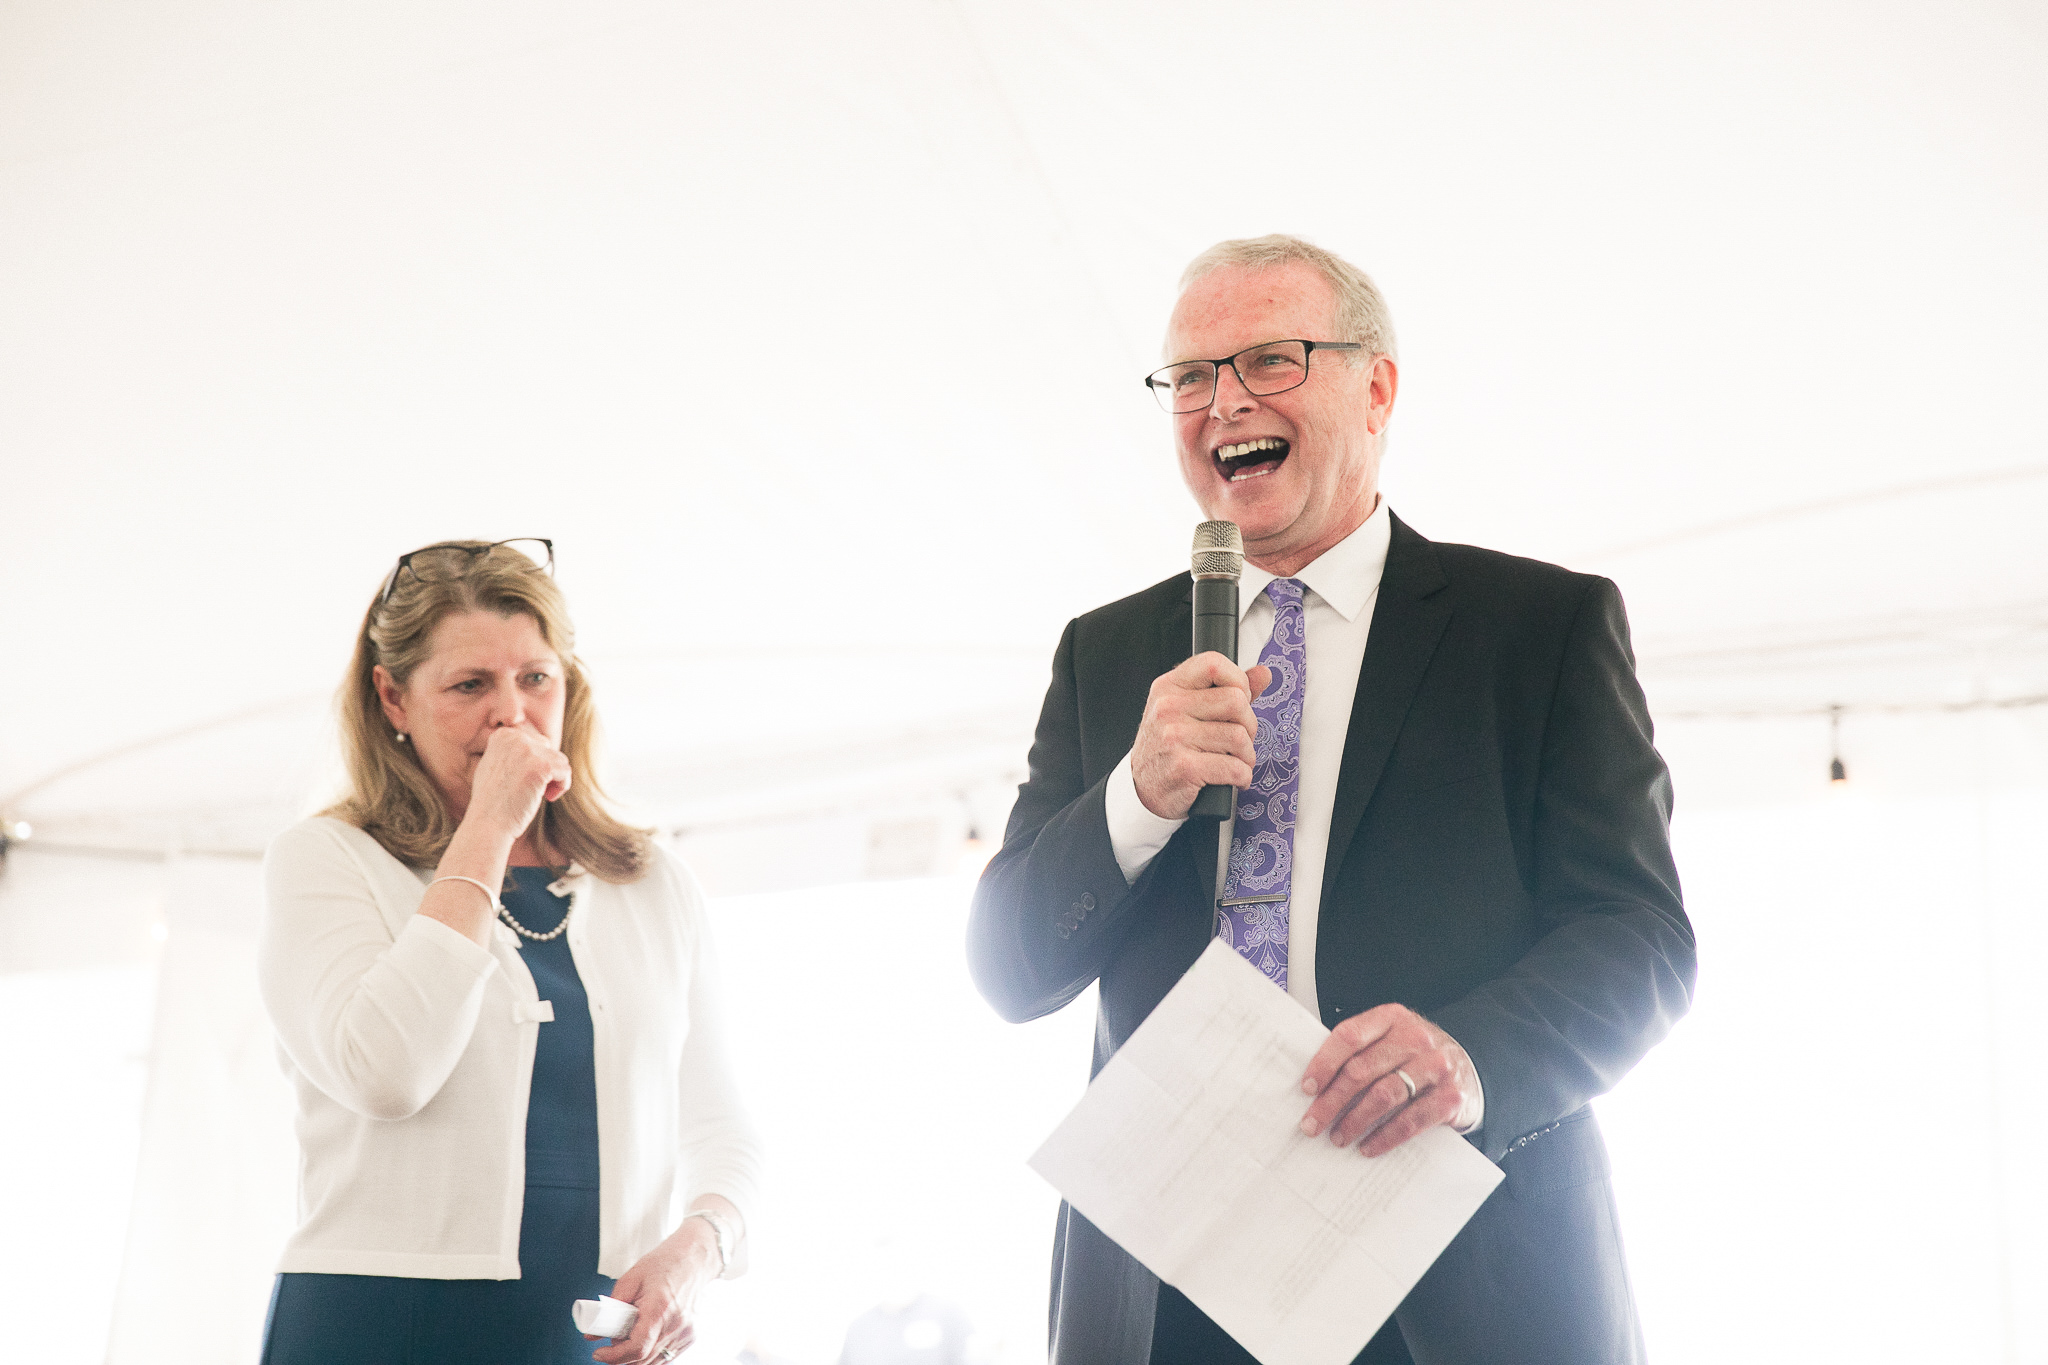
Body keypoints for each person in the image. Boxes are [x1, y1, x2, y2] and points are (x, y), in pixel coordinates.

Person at [967, 236, 1695, 1365]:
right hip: (1165, 1295)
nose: (1223, 404)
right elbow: (1009, 971)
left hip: (1458, 1279)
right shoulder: (1107, 654)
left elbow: (1640, 941)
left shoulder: (1536, 631)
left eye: (1269, 359)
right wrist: (1136, 797)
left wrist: (1469, 1058)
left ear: (1377, 386)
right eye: (1191, 377)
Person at [258, 538, 761, 1365]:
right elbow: (385, 1071)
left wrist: (700, 1247)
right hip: (379, 1325)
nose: (512, 715)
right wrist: (489, 827)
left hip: (589, 1335)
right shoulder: (328, 859)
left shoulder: (651, 881)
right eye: (469, 685)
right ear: (392, 697)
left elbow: (724, 1125)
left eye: (536, 678)